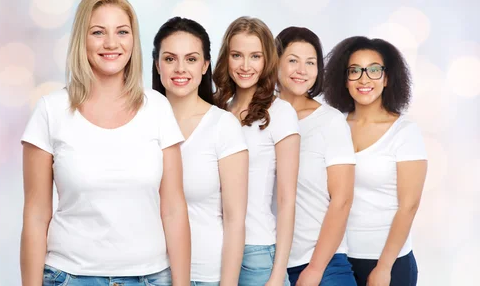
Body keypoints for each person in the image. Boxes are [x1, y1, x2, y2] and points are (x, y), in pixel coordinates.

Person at [20, 0, 190, 286]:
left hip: (150, 277)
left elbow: (174, 208)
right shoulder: (51, 110)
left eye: (122, 32)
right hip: (70, 277)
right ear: (81, 40)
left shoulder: (158, 109)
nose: (111, 43)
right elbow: (36, 215)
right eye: (98, 32)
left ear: (133, 40)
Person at [151, 16, 249, 285]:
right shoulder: (141, 122)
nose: (180, 68)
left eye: (191, 59)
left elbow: (235, 220)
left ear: (205, 65)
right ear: (157, 64)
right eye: (170, 59)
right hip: (147, 274)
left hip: (205, 275)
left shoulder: (223, 126)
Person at [324, 36, 428, 286]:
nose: (364, 79)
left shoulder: (404, 131)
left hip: (388, 262)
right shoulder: (331, 127)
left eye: (373, 70)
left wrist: (384, 267)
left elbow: (409, 206)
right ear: (344, 79)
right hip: (337, 258)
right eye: (355, 71)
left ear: (387, 78)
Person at [213, 16, 299, 286]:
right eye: (237, 55)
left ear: (267, 61)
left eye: (255, 56)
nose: (245, 66)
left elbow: (286, 201)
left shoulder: (280, 113)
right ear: (226, 58)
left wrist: (276, 275)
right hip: (214, 250)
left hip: (258, 253)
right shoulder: (216, 110)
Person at [275, 27, 357, 286]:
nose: (302, 70)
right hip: (268, 263)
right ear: (274, 62)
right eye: (292, 60)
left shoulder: (330, 122)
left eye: (310, 62)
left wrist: (315, 269)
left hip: (323, 264)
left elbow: (342, 200)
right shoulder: (258, 117)